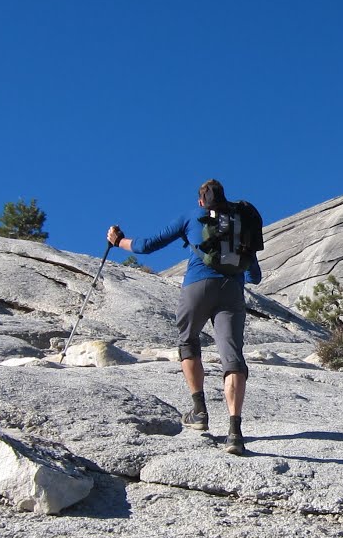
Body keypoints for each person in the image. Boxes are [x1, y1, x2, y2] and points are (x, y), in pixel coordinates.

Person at [107, 180, 261, 456]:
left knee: (188, 341)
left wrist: (118, 241)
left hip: (197, 287)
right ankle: (235, 432)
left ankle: (199, 411)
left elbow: (146, 246)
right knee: (233, 357)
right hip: (232, 292)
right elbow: (254, 274)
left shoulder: (192, 216)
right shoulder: (240, 221)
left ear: (201, 202)